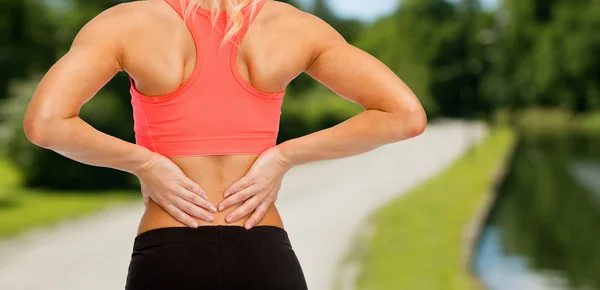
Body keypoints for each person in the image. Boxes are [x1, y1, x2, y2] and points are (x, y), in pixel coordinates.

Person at [23, 0, 427, 289]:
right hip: (263, 249)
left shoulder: (127, 22)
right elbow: (404, 115)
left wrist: (145, 164)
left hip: (169, 252)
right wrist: (283, 156)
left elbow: (46, 124)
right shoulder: (294, 26)